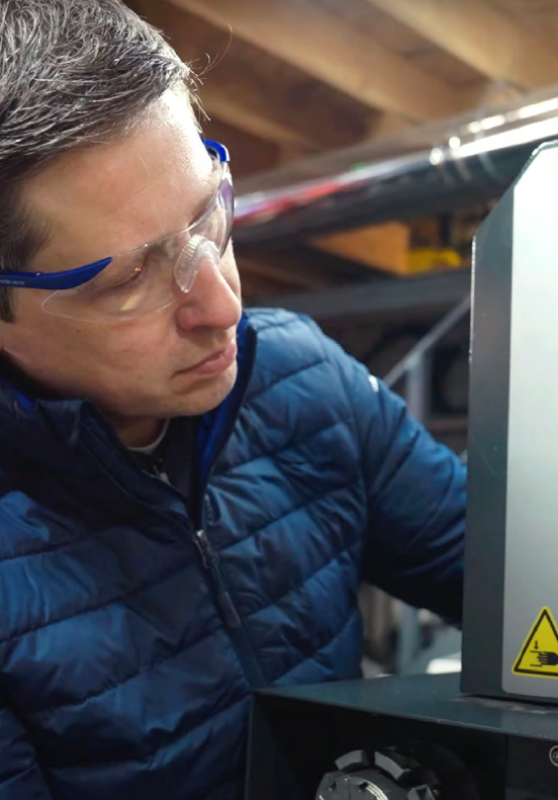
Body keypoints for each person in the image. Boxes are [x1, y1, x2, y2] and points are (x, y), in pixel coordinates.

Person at [0, 1, 467, 798]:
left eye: (209, 214)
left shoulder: (298, 374)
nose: (221, 307)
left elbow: (511, 582)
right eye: (129, 279)